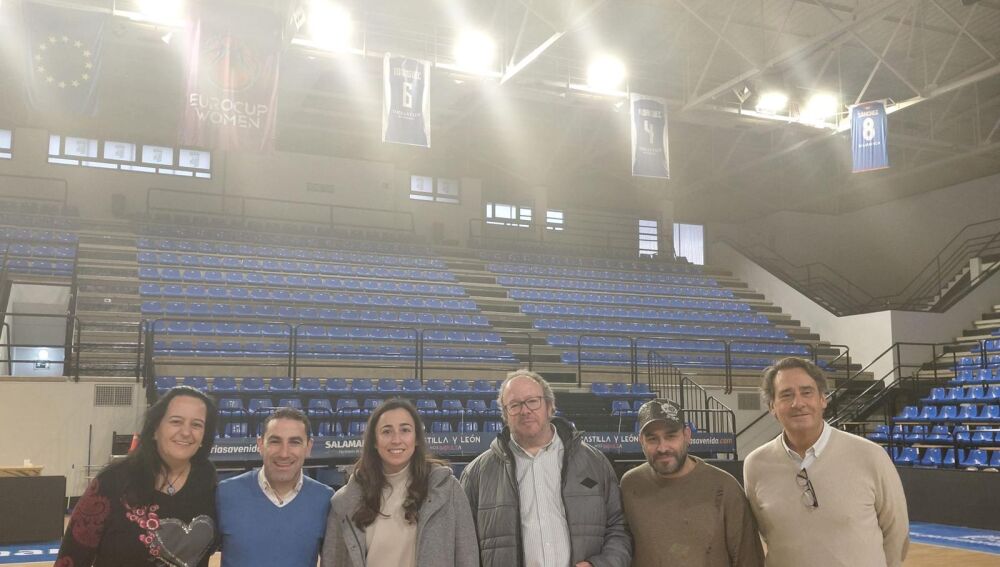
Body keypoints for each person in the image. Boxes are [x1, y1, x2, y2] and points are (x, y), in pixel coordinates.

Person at [744, 357, 909, 567]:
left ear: (823, 399)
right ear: (772, 407)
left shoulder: (870, 456)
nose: (798, 403)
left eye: (807, 392)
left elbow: (896, 533)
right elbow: (767, 534)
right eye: (786, 395)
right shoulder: (756, 465)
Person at [460, 369, 631, 567]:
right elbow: (463, 545)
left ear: (550, 406)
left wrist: (601, 564)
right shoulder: (476, 474)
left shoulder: (595, 462)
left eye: (533, 401)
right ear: (505, 415)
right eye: (514, 405)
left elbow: (619, 528)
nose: (525, 411)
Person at [56, 386, 219, 567]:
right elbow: (71, 559)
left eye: (196, 425)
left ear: (205, 436)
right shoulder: (112, 481)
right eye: (176, 421)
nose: (186, 432)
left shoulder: (208, 480)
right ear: (155, 429)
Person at [321, 398, 479, 567]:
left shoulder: (448, 490)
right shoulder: (344, 501)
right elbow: (332, 560)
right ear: (374, 441)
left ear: (417, 438)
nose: (396, 439)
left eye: (405, 430)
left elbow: (467, 558)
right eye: (386, 431)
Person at [621, 398, 764, 567]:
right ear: (641, 441)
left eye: (671, 436)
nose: (662, 447)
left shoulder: (724, 487)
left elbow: (748, 558)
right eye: (652, 439)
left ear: (687, 435)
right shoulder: (630, 484)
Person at [217, 407, 333, 567]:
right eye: (275, 441)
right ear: (260, 445)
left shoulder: (325, 499)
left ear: (308, 447)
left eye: (295, 442)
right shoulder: (225, 494)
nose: (284, 453)